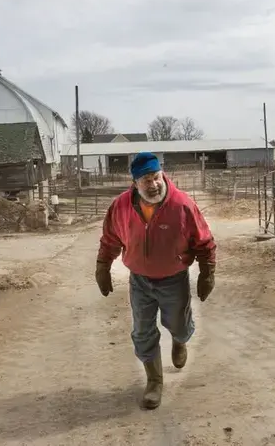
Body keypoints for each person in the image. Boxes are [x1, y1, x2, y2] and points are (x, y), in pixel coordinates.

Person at [95, 152, 216, 410]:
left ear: (162, 175)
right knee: (142, 331)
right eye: (146, 180)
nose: (154, 184)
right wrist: (103, 266)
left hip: (174, 278)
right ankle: (154, 381)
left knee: (178, 324)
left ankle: (179, 339)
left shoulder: (182, 205)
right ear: (135, 183)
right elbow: (110, 238)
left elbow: (204, 240)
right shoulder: (121, 206)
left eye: (156, 177)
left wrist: (208, 271)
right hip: (139, 280)